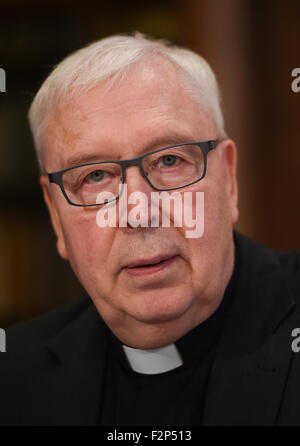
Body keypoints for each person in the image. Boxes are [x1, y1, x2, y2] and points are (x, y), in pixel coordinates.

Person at [0, 32, 300, 427]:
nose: (138, 212)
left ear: (228, 180)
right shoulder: (12, 376)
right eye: (94, 175)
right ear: (56, 215)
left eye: (170, 160)